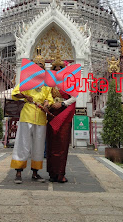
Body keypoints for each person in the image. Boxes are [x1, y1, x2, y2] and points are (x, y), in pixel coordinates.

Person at [10, 50, 54, 184]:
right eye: (37, 67)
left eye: (41, 68)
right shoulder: (27, 81)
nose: (39, 70)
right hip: (27, 115)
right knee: (23, 144)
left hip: (41, 117)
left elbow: (49, 98)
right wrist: (25, 96)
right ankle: (18, 172)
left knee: (39, 145)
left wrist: (47, 103)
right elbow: (15, 93)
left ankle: (35, 172)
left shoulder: (46, 85)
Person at [47, 54, 76, 183]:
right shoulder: (49, 83)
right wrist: (48, 103)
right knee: (52, 143)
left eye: (61, 68)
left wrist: (63, 104)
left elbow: (74, 97)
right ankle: (52, 173)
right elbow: (45, 96)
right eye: (55, 68)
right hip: (52, 113)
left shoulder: (69, 82)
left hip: (64, 112)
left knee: (62, 143)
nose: (58, 70)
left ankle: (60, 173)